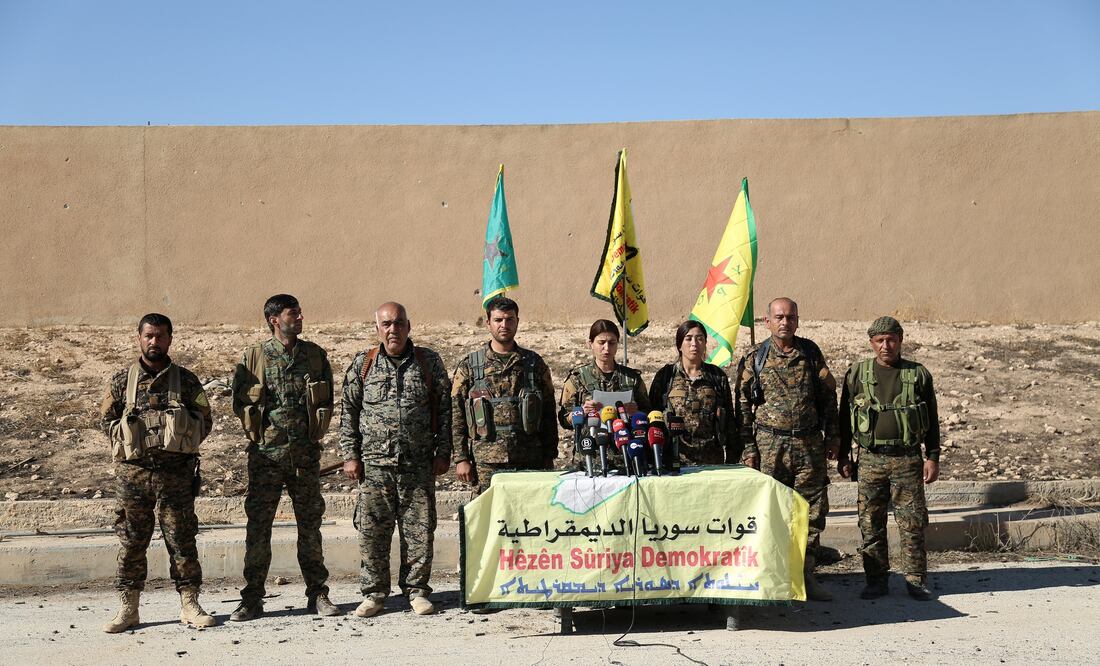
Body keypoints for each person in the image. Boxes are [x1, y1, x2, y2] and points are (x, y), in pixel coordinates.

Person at [99, 313, 215, 632]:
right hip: (133, 478)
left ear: (170, 339)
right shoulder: (122, 381)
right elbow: (105, 421)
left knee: (182, 541)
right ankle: (129, 608)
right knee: (132, 542)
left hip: (176, 478)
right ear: (139, 338)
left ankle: (190, 604)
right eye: (149, 335)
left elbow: (204, 419)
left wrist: (179, 441)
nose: (155, 341)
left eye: (161, 336)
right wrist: (128, 436)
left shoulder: (187, 381)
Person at [229, 294, 340, 620]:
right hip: (266, 459)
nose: (301, 317)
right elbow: (240, 403)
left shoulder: (315, 356)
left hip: (305, 458)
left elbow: (327, 398)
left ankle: (318, 594)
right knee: (259, 530)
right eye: (294, 313)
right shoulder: (255, 358)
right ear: (275, 319)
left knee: (310, 528)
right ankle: (252, 598)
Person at [339, 302, 452, 618]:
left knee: (419, 533)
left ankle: (417, 591)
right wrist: (350, 455)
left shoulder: (427, 362)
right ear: (377, 328)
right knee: (372, 534)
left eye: (399, 323)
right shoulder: (364, 364)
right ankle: (374, 594)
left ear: (409, 326)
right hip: (375, 467)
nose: (393, 329)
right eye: (387, 324)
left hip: (417, 466)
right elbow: (348, 411)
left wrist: (443, 452)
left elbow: (444, 410)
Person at [735, 297, 840, 601]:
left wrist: (833, 437)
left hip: (808, 443)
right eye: (779, 317)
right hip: (770, 445)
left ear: (797, 320)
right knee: (771, 512)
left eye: (790, 317)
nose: (785, 322)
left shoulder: (810, 352)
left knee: (811, 511)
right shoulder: (756, 356)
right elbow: (742, 406)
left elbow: (828, 397)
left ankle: (806, 576)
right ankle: (773, 577)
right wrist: (748, 448)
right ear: (766, 321)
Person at [838, 316, 940, 601]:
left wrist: (932, 457)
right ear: (871, 343)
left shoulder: (918, 374)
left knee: (913, 523)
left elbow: (932, 420)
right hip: (870, 460)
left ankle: (916, 580)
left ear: (901, 340)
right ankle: (876, 580)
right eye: (880, 341)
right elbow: (844, 419)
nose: (886, 346)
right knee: (870, 522)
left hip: (908, 460)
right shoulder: (857, 374)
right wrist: (844, 454)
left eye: (891, 340)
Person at [451, 296, 557, 493]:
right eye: (498, 320)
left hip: (529, 459)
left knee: (527, 517)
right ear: (488, 322)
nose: (504, 325)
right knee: (487, 519)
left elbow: (549, 412)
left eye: (510, 319)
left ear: (517, 321)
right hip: (486, 463)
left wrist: (549, 454)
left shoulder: (534, 364)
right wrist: (461, 458)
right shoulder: (470, 366)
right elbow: (456, 415)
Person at [557, 319, 650, 464]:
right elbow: (564, 419)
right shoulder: (578, 378)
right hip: (590, 458)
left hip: (626, 457)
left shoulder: (632, 379)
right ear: (590, 344)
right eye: (601, 342)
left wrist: (637, 412)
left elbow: (649, 414)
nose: (607, 348)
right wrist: (581, 412)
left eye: (612, 343)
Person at [648, 320, 737, 466]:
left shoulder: (716, 376)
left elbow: (729, 422)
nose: (694, 344)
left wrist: (733, 459)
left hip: (711, 461)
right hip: (674, 462)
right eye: (688, 338)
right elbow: (653, 419)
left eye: (700, 338)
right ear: (679, 345)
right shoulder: (666, 376)